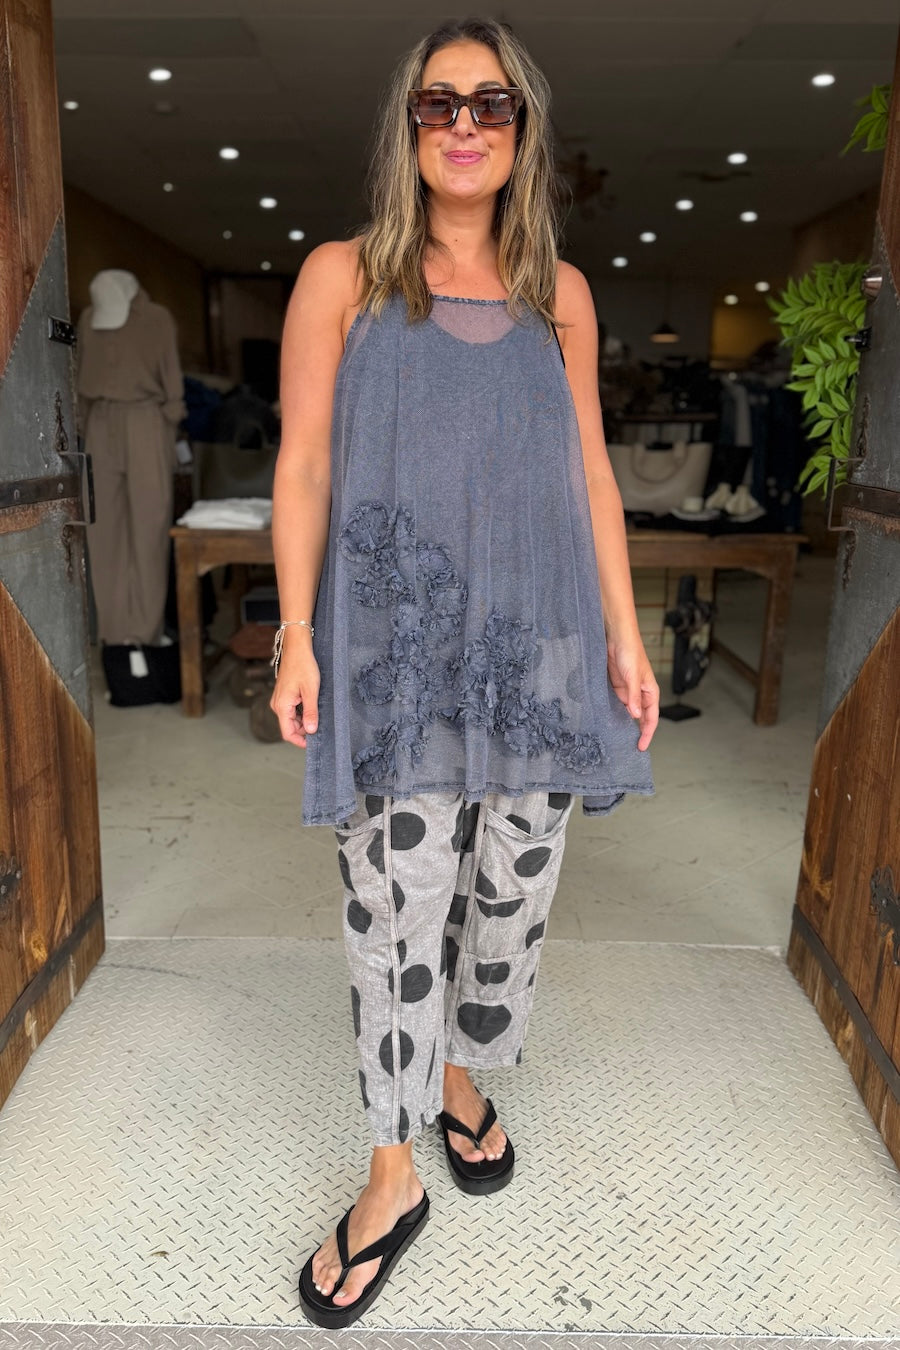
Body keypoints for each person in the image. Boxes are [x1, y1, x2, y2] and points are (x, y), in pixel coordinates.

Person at [270, 16, 659, 1329]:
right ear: (409, 127)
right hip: (395, 655)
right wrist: (296, 629)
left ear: (522, 131)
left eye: (491, 103)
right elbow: (304, 464)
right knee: (395, 912)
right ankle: (394, 1175)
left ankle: (458, 1074)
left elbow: (591, 473)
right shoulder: (343, 279)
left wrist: (623, 634)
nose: (465, 125)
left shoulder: (563, 296)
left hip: (539, 653)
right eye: (440, 103)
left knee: (509, 899)